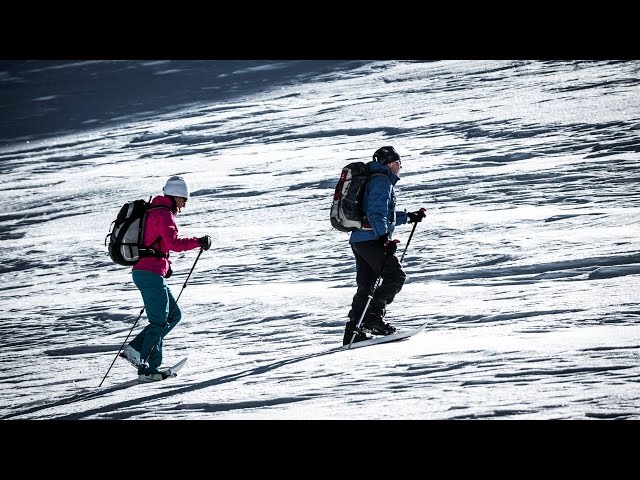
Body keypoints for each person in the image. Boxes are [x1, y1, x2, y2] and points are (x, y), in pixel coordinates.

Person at [120, 175, 212, 381]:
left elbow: (155, 244)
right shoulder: (163, 214)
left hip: (149, 271)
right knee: (160, 321)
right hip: (149, 273)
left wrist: (165, 265)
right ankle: (149, 368)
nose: (184, 205)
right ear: (176, 196)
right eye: (184, 200)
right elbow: (173, 243)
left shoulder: (155, 211)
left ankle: (135, 349)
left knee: (173, 315)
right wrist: (198, 241)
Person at [343, 146, 426, 346]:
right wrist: (384, 239)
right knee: (395, 276)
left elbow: (382, 215)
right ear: (390, 163)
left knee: (367, 286)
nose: (400, 168)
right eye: (399, 163)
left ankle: (354, 331)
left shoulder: (374, 179)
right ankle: (373, 319)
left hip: (360, 240)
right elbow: (376, 213)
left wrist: (408, 217)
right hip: (372, 240)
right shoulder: (382, 180)